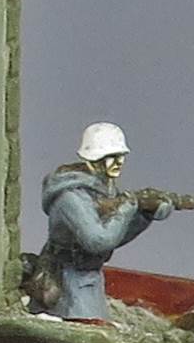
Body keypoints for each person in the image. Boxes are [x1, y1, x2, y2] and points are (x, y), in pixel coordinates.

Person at [32, 122, 172, 320]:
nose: (119, 162)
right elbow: (98, 241)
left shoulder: (104, 190)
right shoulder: (70, 197)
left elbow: (114, 236)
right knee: (83, 328)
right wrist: (127, 208)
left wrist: (143, 216)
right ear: (94, 159)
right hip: (66, 284)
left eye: (121, 156)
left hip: (90, 278)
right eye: (112, 157)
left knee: (98, 322)